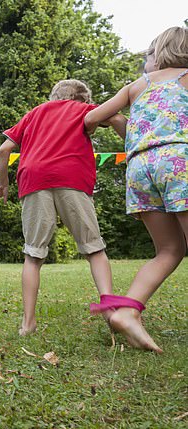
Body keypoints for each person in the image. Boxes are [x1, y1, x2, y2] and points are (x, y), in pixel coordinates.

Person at [0, 79, 127, 336]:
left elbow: (4, 148)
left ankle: (27, 324)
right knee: (94, 249)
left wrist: (3, 184)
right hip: (72, 177)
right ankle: (111, 312)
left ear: (54, 96)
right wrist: (133, 145)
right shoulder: (83, 109)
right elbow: (118, 118)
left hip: (33, 179)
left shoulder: (35, 113)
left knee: (33, 255)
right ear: (83, 100)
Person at [84, 26, 188, 353]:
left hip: (140, 169)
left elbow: (91, 118)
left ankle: (129, 311)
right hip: (178, 161)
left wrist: (116, 119)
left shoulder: (136, 87)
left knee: (170, 250)